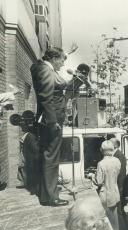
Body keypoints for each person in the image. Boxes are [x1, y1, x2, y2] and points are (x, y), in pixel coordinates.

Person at [31, 47, 69, 206]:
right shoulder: (46, 70)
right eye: (61, 60)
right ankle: (51, 197)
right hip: (51, 121)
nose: (62, 63)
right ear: (53, 58)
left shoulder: (41, 67)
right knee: (51, 156)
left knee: (48, 155)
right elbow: (46, 98)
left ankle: (47, 191)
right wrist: (53, 123)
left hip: (47, 119)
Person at [91, 140, 121, 230]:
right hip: (115, 192)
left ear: (101, 150)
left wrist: (92, 176)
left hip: (105, 194)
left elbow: (99, 182)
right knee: (115, 220)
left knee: (106, 220)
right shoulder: (117, 161)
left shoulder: (101, 163)